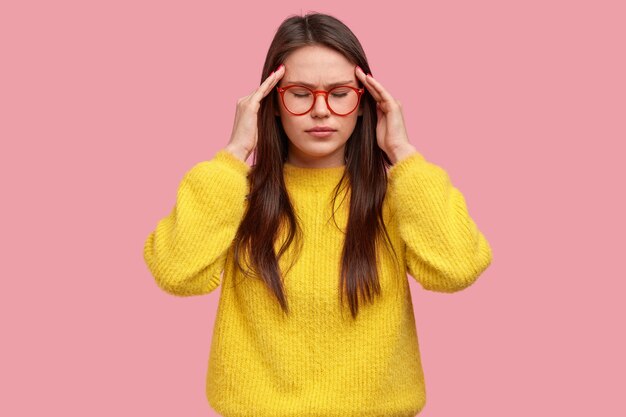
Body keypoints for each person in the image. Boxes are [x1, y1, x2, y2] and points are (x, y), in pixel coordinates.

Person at [143, 12, 493, 417]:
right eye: (300, 93)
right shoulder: (233, 193)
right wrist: (233, 154)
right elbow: (175, 273)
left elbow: (458, 270)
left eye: (341, 93)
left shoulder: (402, 196)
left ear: (366, 104)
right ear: (272, 103)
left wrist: (403, 154)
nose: (321, 110)